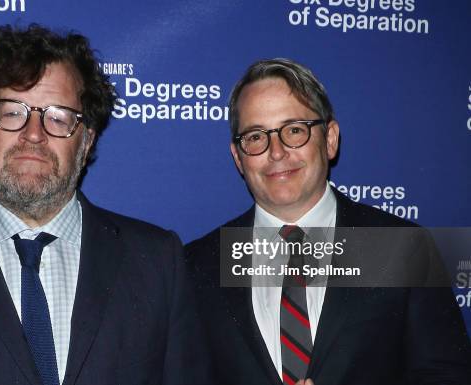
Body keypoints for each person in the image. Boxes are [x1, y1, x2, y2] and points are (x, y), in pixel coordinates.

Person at [0, 24, 210, 385]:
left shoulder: (157, 262)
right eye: (13, 112)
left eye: (58, 117)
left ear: (87, 141)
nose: (34, 133)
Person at [185, 58, 471, 385]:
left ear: (330, 139)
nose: (276, 152)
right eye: (255, 136)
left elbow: (448, 375)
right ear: (238, 157)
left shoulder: (402, 248)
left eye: (294, 130)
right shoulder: (198, 265)